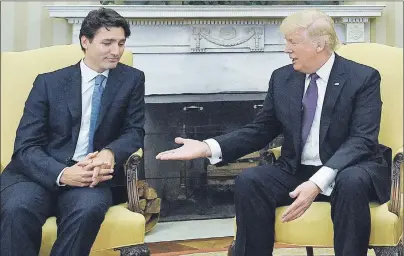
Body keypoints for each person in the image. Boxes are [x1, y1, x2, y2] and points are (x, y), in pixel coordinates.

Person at [156, 9, 391, 256]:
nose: (286, 49)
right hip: (296, 168)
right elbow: (261, 129)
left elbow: (362, 140)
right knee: (251, 181)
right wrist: (208, 147)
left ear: (319, 44)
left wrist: (317, 182)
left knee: (351, 182)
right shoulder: (282, 78)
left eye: (293, 42)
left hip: (349, 167)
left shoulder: (362, 77)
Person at [0, 7, 145, 256]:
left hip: (91, 177)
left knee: (87, 211)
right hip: (37, 173)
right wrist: (63, 173)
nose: (116, 51)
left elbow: (134, 131)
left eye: (121, 43)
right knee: (17, 209)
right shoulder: (48, 82)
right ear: (85, 41)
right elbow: (25, 147)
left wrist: (109, 152)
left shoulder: (132, 79)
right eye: (107, 43)